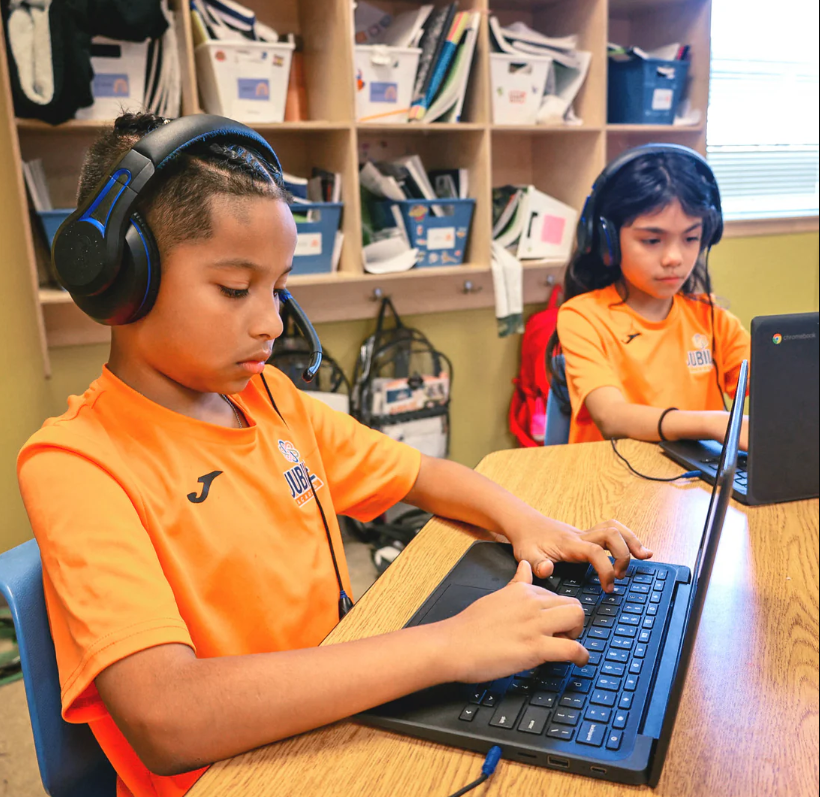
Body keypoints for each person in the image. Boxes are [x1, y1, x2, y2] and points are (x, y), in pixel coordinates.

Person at [17, 113, 651, 797]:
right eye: (236, 289)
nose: (271, 322)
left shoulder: (271, 397)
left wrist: (529, 522)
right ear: (120, 275)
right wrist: (446, 646)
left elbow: (425, 473)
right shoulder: (76, 461)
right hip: (236, 774)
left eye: (279, 288)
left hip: (337, 715)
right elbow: (167, 716)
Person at [548, 145, 750, 447]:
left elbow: (780, 393)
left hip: (692, 487)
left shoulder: (714, 321)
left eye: (691, 238)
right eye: (652, 240)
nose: (674, 258)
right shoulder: (583, 317)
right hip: (611, 482)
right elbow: (611, 416)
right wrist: (713, 423)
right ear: (609, 240)